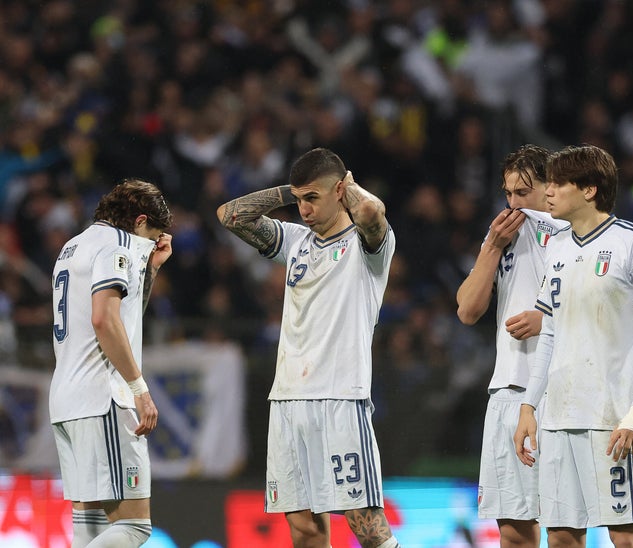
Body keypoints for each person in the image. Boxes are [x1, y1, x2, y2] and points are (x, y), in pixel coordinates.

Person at [216, 147, 400, 548]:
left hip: (339, 398)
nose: (304, 209)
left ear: (341, 191)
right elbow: (230, 215)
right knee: (303, 529)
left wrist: (346, 186)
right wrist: (294, 190)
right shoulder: (296, 240)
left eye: (312, 198)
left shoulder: (369, 247)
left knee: (367, 527)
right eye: (299, 200)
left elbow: (371, 213)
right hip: (286, 399)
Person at [514, 145, 633, 547]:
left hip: (612, 418)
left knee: (626, 537)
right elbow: (550, 332)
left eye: (558, 183)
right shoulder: (557, 247)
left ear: (589, 190)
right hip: (557, 417)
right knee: (561, 538)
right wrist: (529, 405)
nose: (548, 191)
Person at [50, 179, 173, 547]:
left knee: (92, 528)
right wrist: (139, 389)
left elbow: (124, 319)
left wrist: (150, 270)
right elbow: (104, 320)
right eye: (153, 236)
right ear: (139, 221)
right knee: (135, 526)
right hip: (103, 399)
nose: (152, 244)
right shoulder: (117, 246)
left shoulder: (72, 247)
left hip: (67, 402)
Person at [456, 144, 568, 548]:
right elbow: (467, 310)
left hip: (557, 392)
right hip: (507, 388)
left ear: (549, 188)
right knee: (513, 531)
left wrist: (545, 319)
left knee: (564, 529)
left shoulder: (570, 234)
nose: (514, 203)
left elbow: (599, 307)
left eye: (523, 192)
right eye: (508, 193)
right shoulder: (501, 236)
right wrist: (491, 246)